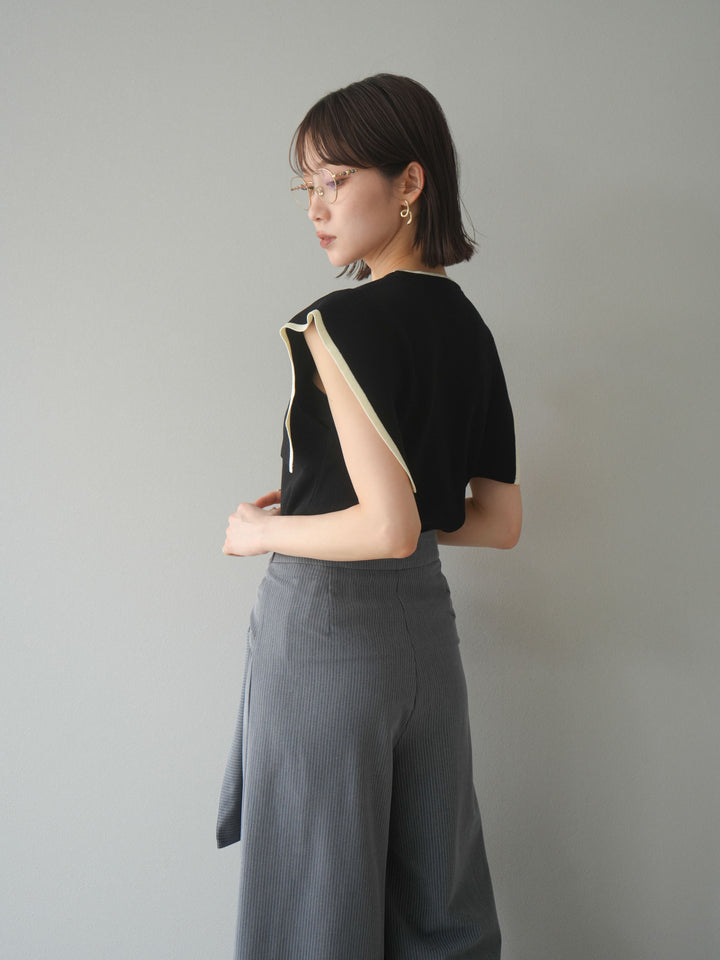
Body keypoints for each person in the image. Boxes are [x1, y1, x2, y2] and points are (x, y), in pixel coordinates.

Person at [217, 74, 521, 960]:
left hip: (327, 638)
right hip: (426, 645)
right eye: (307, 185)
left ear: (410, 182)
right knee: (444, 915)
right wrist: (353, 509)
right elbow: (493, 520)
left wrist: (263, 531)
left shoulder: (334, 324)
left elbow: (384, 527)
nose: (317, 207)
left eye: (337, 180)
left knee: (314, 912)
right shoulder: (470, 327)